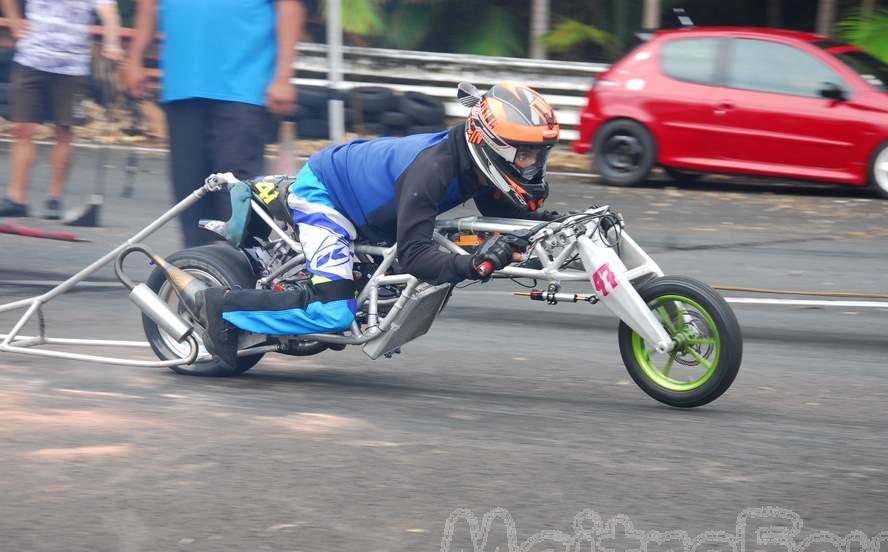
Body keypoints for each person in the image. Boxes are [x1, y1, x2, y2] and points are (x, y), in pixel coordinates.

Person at [191, 82, 561, 369]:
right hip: (327, 196)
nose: (531, 165)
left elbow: (507, 220)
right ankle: (220, 306)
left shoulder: (474, 162)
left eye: (537, 156)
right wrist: (473, 264)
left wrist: (558, 225)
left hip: (366, 197)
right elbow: (415, 255)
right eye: (524, 155)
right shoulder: (432, 169)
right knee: (333, 312)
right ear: (492, 145)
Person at [123, 0, 305, 248]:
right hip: (183, 86)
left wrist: (283, 77)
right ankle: (200, 272)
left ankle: (236, 274)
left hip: (243, 88)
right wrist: (134, 59)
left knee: (236, 195)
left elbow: (289, 6)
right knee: (191, 195)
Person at [0, 0, 122, 219]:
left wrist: (112, 42)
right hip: (31, 58)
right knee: (22, 128)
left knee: (64, 131)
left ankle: (54, 198)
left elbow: (109, 11)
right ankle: (16, 198)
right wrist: (15, 21)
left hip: (72, 65)